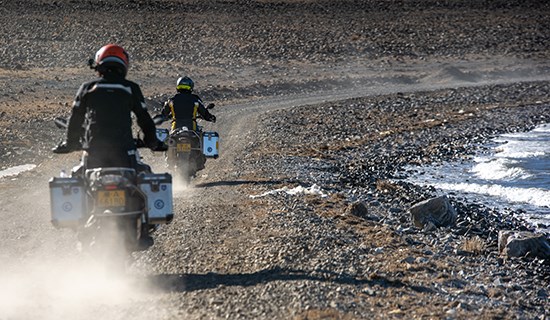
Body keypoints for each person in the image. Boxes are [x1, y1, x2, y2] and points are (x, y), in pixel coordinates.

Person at [53, 44, 166, 172]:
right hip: (124, 153)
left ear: (99, 64)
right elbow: (144, 119)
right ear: (124, 65)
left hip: (94, 152)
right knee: (145, 174)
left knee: (77, 176)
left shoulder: (88, 88)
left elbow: (76, 118)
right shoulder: (130, 88)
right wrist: (152, 142)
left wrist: (70, 143)